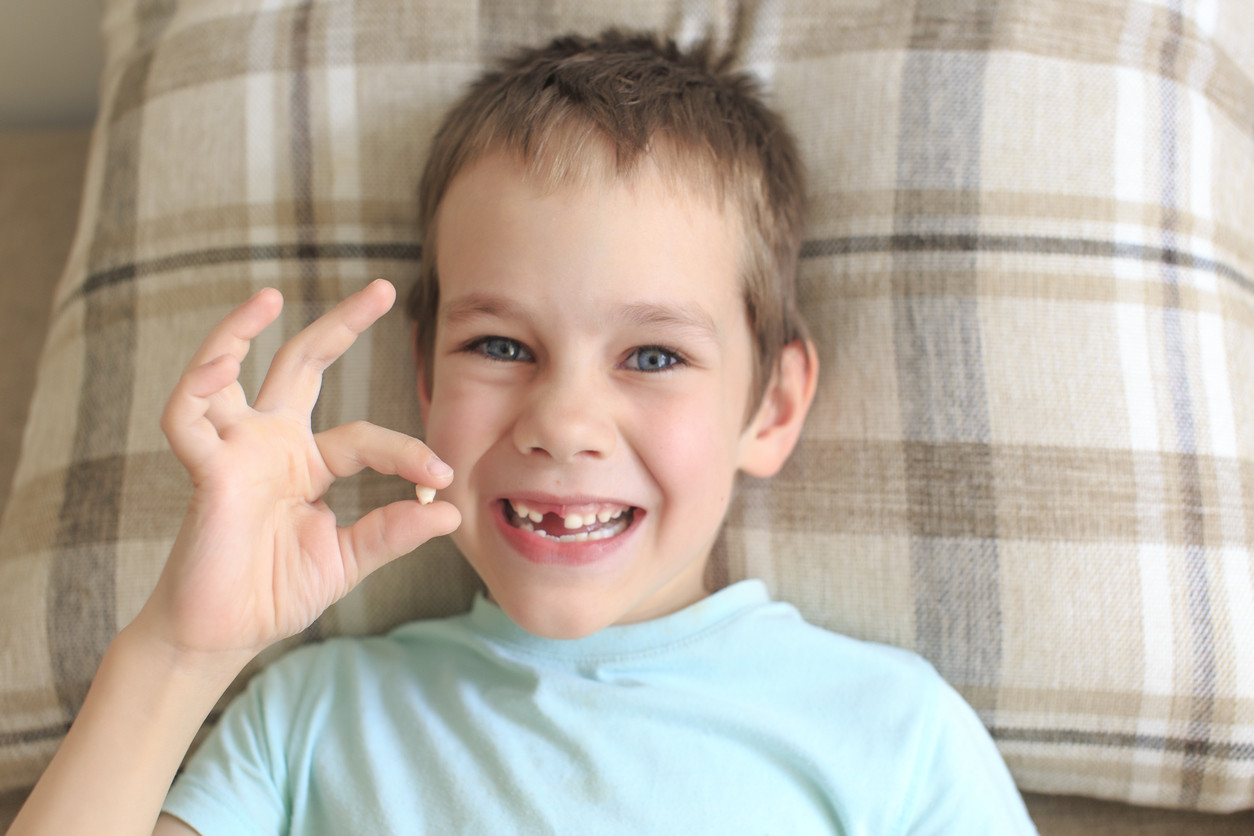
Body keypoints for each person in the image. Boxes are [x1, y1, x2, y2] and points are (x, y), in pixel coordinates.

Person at [10, 30, 1036, 835]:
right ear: (421, 377)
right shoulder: (310, 714)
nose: (562, 422)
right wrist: (180, 649)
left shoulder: (892, 731)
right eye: (500, 346)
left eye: (653, 356)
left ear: (769, 406)